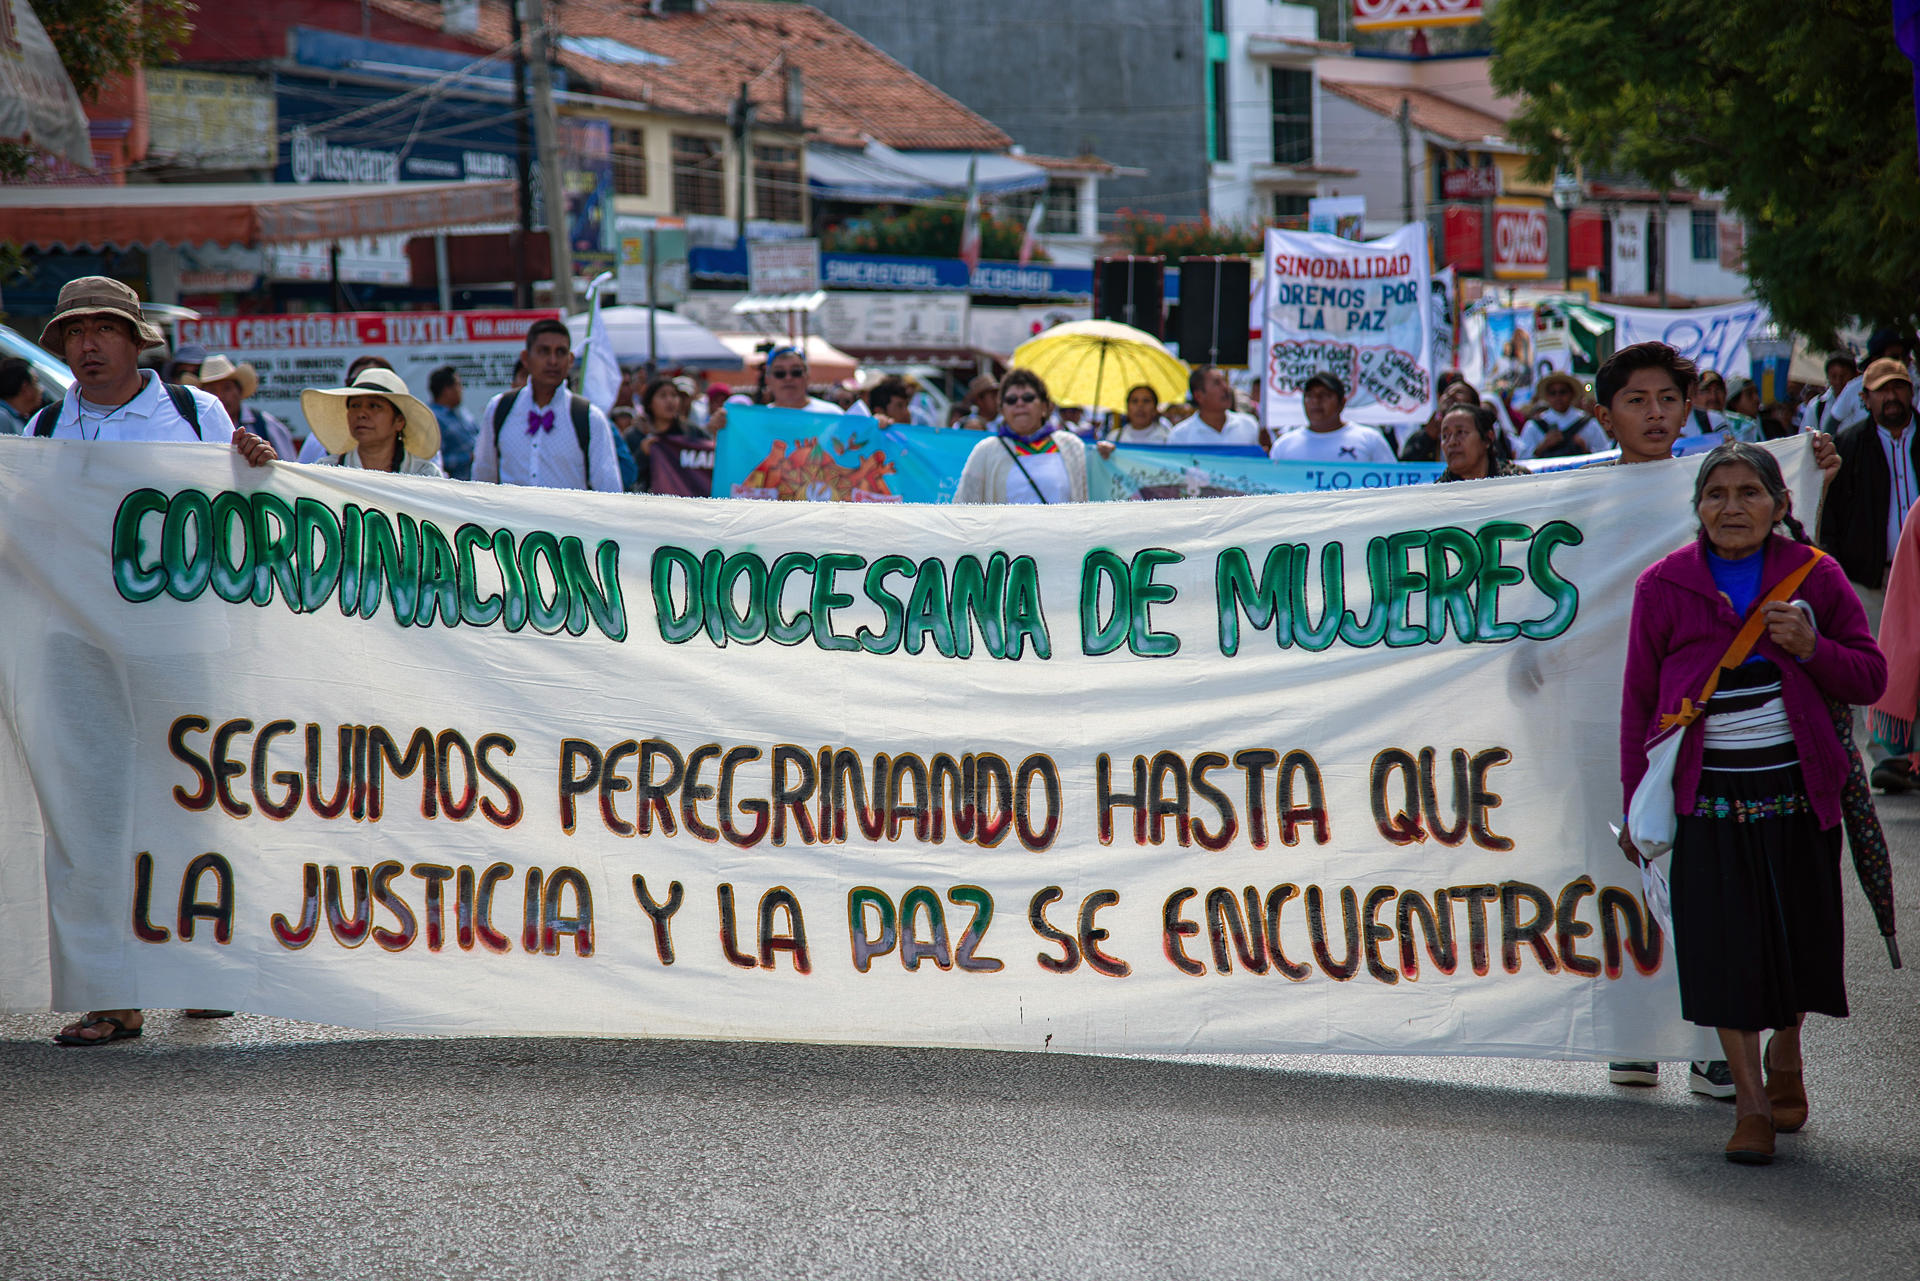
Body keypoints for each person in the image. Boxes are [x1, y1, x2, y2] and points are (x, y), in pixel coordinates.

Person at [1620, 442, 1884, 1163]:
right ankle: (1752, 1103)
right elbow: (1639, 701)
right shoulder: (1663, 586)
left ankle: (1788, 1049)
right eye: (1716, 494)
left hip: (1799, 796)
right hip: (1707, 800)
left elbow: (1869, 677)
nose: (1731, 507)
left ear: (1778, 504)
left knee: (1794, 941)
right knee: (1725, 954)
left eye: (1748, 492)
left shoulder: (1816, 578)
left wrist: (1810, 646)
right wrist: (1635, 807)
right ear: (1698, 506)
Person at [1589, 339, 1840, 1095]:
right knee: (1631, 878)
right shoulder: (1574, 496)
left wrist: (1812, 470)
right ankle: (1635, 1031)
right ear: (1608, 415)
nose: (1655, 413)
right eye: (1636, 400)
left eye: (1668, 398)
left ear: (1688, 403)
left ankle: (1712, 1045)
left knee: (1713, 898)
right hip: (1602, 714)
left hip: (1702, 727)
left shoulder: (1722, 480)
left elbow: (1792, 565)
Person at [30, 276, 275, 1047]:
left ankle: (198, 968)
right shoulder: (40, 428)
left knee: (189, 800)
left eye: (104, 329)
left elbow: (245, 508)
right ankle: (112, 991)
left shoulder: (195, 411)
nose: (89, 345)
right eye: (75, 332)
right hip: (75, 646)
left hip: (180, 641)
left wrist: (256, 464)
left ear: (138, 341)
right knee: (90, 812)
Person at [1816, 357, 1919, 790]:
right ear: (1865, 398)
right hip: (1870, 578)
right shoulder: (1850, 444)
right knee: (1881, 665)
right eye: (1883, 390)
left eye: (1899, 388)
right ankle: (1887, 757)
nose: (1892, 397)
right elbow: (1832, 517)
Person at [471, 318, 622, 492]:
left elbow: (609, 490)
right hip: (509, 519)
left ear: (570, 360)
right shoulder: (499, 409)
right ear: (526, 358)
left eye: (560, 352)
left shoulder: (589, 418)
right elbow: (481, 480)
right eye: (544, 351)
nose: (553, 361)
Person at [955, 369, 1091, 504]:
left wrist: (1106, 456)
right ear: (1002, 409)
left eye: (1028, 398)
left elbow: (1095, 492)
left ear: (1044, 406)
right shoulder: (986, 451)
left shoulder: (1071, 446)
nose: (1019, 404)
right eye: (1011, 400)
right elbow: (964, 506)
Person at [301, 367, 445, 477]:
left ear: (399, 421)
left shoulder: (424, 475)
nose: (361, 414)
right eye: (355, 406)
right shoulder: (327, 472)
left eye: (374, 406)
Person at [1267, 370, 1397, 463]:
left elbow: (1393, 487)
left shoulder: (1370, 440)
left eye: (1324, 395)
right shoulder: (1284, 445)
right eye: (1310, 396)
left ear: (1342, 403)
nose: (1315, 401)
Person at [196, 354, 296, 461]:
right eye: (212, 390)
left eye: (227, 388)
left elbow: (289, 467)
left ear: (239, 391)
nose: (220, 396)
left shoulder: (265, 424)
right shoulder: (197, 427)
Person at [1517, 372, 1609, 459]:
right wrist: (1542, 447)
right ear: (1547, 396)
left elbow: (1604, 454)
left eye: (1563, 392)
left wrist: (1585, 449)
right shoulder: (1533, 427)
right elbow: (1522, 459)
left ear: (1572, 394)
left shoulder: (1589, 424)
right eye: (1553, 393)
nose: (1558, 397)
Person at [1167, 365, 1262, 448]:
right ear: (1199, 396)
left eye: (1225, 381)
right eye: (1217, 383)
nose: (1225, 387)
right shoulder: (1180, 437)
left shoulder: (1249, 425)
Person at [1435, 404, 1528, 482]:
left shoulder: (1519, 480)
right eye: (1445, 436)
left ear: (1488, 438)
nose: (1452, 442)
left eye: (1461, 432)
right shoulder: (1436, 496)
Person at [754, 346, 841, 415]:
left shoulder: (831, 415)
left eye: (796, 372)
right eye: (780, 373)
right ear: (767, 379)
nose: (788, 378)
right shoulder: (759, 420)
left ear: (807, 376)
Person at [427, 364, 478, 481]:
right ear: (447, 390)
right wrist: (469, 457)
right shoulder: (432, 419)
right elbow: (434, 461)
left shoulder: (462, 413)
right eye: (458, 385)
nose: (461, 389)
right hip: (454, 487)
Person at [1801, 353, 1861, 434]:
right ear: (1828, 377)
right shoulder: (1817, 406)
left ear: (1855, 375)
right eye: (1833, 376)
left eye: (1843, 376)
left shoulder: (1863, 402)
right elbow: (1805, 436)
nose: (1838, 381)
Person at [0, 355, 45, 433]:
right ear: (25, 388)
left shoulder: (17, 419)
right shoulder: (2, 418)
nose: (42, 389)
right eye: (36, 382)